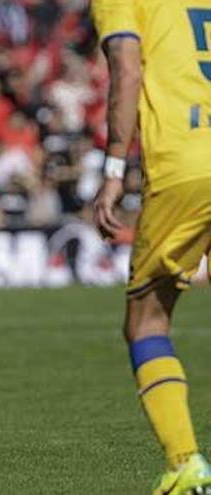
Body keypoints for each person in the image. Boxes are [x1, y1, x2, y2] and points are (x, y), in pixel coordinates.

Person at [92, 1, 211, 492]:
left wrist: (114, 170)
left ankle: (184, 462)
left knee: (146, 319)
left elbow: (126, 66)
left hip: (187, 160)